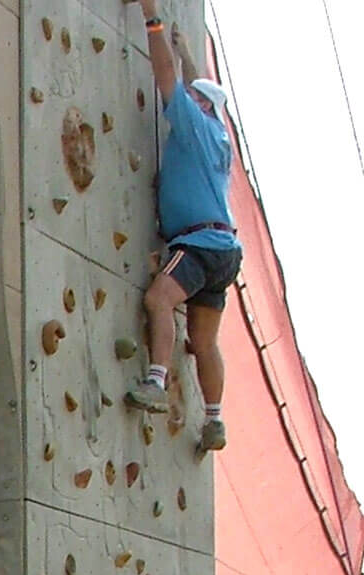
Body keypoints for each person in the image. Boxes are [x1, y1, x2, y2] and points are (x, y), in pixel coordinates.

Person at [125, 1, 242, 454]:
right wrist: (190, 48)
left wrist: (152, 21)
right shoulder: (218, 133)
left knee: (159, 298)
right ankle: (214, 420)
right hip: (224, 251)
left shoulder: (192, 124)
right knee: (205, 340)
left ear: (199, 105)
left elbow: (166, 75)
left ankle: (155, 381)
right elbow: (198, 85)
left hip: (196, 243)